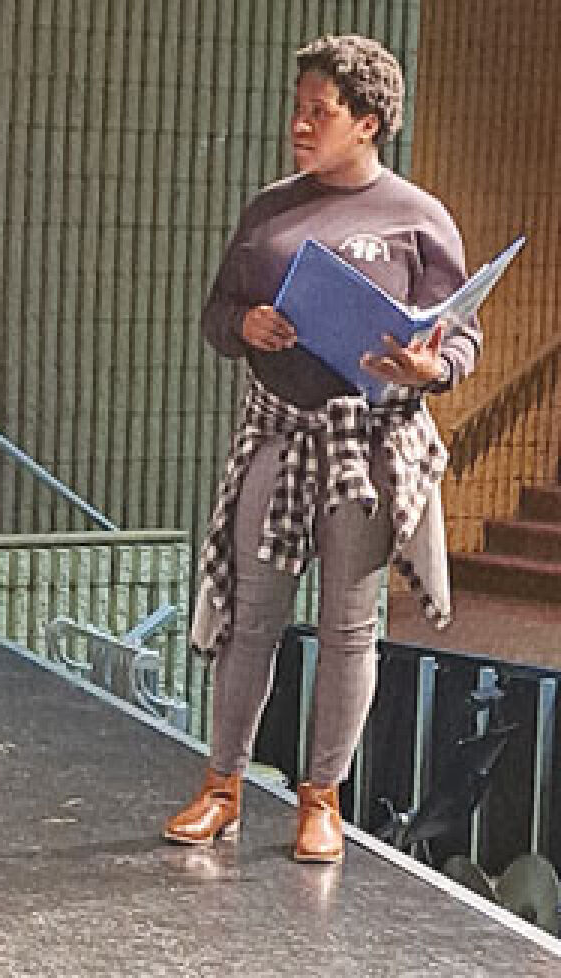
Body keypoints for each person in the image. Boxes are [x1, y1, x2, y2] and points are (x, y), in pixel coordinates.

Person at [163, 35, 481, 864]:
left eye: (320, 113)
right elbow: (216, 315)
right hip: (279, 427)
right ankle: (223, 786)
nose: (299, 125)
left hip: (367, 442)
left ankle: (322, 797)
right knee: (251, 620)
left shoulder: (418, 217)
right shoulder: (270, 208)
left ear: (368, 123)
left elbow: (462, 338)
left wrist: (428, 364)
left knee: (347, 628)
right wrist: (246, 325)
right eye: (297, 108)